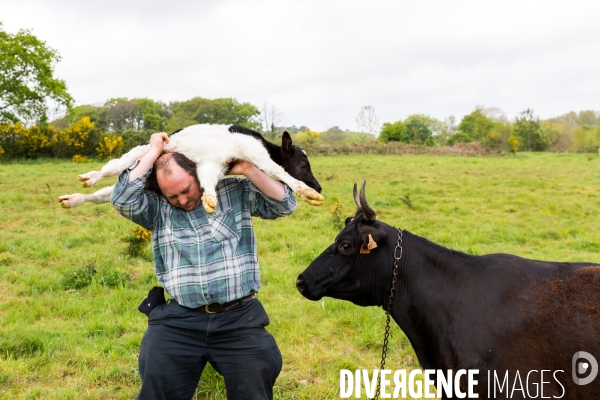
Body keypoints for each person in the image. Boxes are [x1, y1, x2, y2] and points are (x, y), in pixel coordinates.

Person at [110, 132, 297, 400]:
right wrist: (153, 152)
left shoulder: (233, 192)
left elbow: (286, 205)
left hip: (238, 318)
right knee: (156, 391)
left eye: (186, 190)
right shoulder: (156, 208)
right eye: (172, 195)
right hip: (180, 320)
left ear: (199, 174)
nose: (182, 200)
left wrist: (247, 168)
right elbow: (122, 198)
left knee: (254, 388)